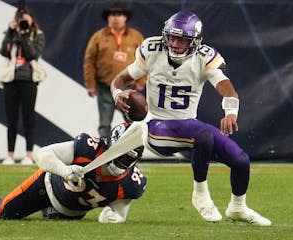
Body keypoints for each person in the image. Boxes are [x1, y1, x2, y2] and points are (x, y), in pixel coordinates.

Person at [110, 10, 271, 226]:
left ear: (194, 41)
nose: (175, 43)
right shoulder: (152, 49)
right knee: (202, 136)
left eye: (182, 39)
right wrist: (117, 94)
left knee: (240, 161)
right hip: (156, 125)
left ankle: (238, 207)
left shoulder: (204, 57)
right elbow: (119, 80)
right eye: (172, 37)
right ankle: (200, 193)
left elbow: (227, 89)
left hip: (187, 125)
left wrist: (231, 112)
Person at [0, 123, 146, 223]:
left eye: (128, 158)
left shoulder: (131, 183)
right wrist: (65, 171)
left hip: (71, 212)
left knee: (54, 219)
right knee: (1, 214)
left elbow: (119, 211)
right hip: (48, 185)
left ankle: (50, 211)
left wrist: (113, 217)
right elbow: (41, 155)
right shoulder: (88, 148)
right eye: (118, 154)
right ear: (110, 145)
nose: (121, 161)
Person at [83, 3, 146, 138]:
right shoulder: (98, 37)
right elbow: (89, 61)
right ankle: (104, 152)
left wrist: (142, 81)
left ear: (125, 18)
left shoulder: (136, 36)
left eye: (120, 14)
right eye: (113, 15)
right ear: (107, 18)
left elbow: (146, 60)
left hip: (128, 88)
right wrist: (90, 85)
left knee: (132, 122)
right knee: (105, 123)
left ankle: (131, 152)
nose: (116, 18)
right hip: (105, 86)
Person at [0, 7, 45, 165]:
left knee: (28, 118)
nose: (24, 22)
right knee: (11, 119)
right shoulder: (11, 34)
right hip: (10, 80)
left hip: (29, 80)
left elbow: (32, 55)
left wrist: (24, 37)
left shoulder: (37, 35)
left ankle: (29, 155)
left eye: (26, 19)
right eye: (21, 20)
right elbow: (3, 51)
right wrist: (10, 32)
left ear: (32, 20)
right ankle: (10, 155)